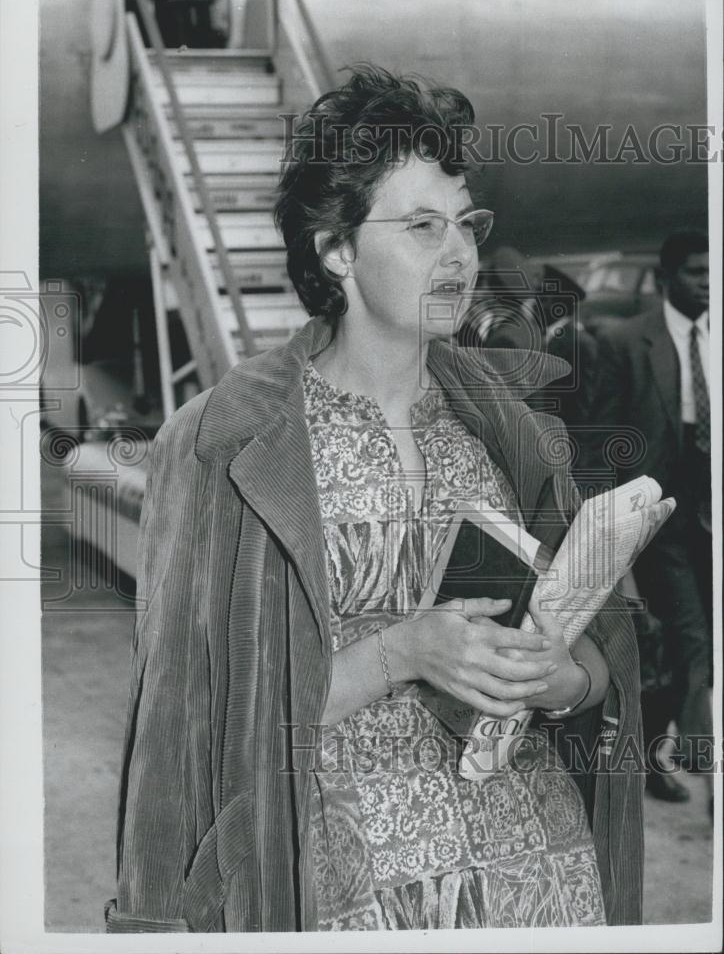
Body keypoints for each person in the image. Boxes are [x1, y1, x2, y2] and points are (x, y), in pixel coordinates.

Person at [106, 66, 643, 933]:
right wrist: (400, 654)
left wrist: (560, 681)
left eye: (466, 223)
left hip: (541, 883)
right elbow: (190, 722)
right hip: (351, 897)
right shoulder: (227, 442)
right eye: (423, 227)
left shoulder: (508, 427)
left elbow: (603, 660)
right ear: (337, 249)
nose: (460, 255)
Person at [585, 230, 711, 803]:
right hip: (663, 519)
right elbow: (603, 439)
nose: (709, 282)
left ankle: (655, 750)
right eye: (696, 272)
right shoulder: (626, 342)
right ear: (666, 279)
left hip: (715, 509)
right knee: (688, 639)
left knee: (696, 647)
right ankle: (691, 756)